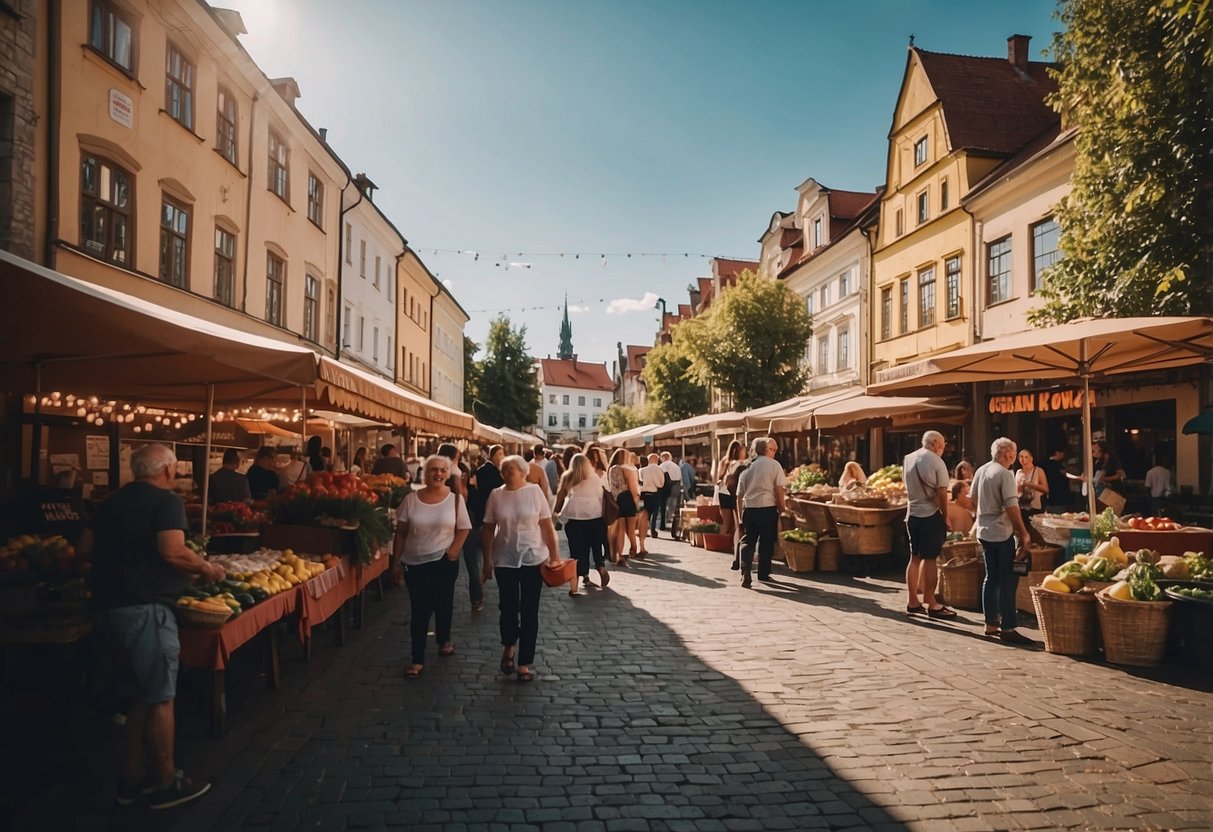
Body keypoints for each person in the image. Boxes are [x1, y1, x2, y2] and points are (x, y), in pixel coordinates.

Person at [84, 443, 225, 810]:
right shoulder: (166, 502)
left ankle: (131, 779)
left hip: (105, 608)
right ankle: (165, 780)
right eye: (175, 469)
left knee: (139, 695)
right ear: (167, 470)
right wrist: (206, 569)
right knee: (161, 695)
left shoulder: (110, 503)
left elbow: (85, 547)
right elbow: (172, 550)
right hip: (145, 609)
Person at [481, 454, 562, 683]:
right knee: (507, 608)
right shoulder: (496, 495)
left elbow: (546, 525)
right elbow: (487, 528)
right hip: (505, 558)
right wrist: (486, 561)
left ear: (523, 472)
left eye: (511, 469)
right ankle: (508, 647)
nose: (507, 473)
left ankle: (524, 663)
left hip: (533, 558)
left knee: (529, 611)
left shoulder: (535, 492)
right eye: (504, 470)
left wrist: (554, 555)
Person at [393, 454, 471, 678]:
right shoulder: (411, 499)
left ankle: (443, 639)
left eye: (442, 470)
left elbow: (464, 528)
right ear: (425, 473)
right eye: (433, 470)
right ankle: (417, 658)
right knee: (419, 610)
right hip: (415, 562)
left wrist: (453, 551)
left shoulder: (455, 500)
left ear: (448, 474)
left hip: (444, 561)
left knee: (443, 603)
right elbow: (401, 533)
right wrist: (395, 563)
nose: (438, 474)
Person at [971, 437, 1034, 646]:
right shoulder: (1005, 475)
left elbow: (972, 500)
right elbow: (1012, 507)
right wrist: (1023, 532)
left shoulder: (981, 470)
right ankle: (1008, 626)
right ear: (1009, 455)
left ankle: (990, 623)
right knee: (1008, 580)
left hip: (984, 531)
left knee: (991, 577)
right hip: (1001, 533)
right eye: (1012, 455)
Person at [903, 430, 956, 619]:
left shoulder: (909, 458)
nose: (943, 448)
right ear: (935, 443)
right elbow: (942, 492)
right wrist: (945, 516)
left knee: (914, 557)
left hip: (912, 514)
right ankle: (931, 602)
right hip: (929, 514)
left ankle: (912, 601)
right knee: (931, 558)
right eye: (942, 444)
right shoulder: (936, 461)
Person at [555, 452, 610, 594]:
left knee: (577, 551)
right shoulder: (594, 477)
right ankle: (601, 567)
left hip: (574, 518)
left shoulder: (568, 476)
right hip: (594, 517)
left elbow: (561, 495)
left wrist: (555, 513)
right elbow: (600, 496)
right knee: (596, 545)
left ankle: (578, 582)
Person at [735, 437, 786, 587]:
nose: (774, 453)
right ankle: (763, 574)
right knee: (766, 541)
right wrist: (783, 509)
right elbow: (779, 489)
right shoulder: (774, 465)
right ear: (766, 449)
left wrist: (739, 517)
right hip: (767, 508)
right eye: (773, 450)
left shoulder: (747, 467)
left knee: (748, 540)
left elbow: (739, 495)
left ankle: (745, 572)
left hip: (750, 508)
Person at [465, 444, 504, 612]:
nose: (501, 457)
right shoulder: (490, 471)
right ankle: (482, 580)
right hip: (485, 517)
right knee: (488, 555)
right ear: (492, 455)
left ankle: (479, 586)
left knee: (480, 558)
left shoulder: (485, 470)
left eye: (503, 454)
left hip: (480, 518)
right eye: (499, 454)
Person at [607, 448, 641, 564]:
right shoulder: (626, 469)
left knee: (620, 528)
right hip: (627, 498)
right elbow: (633, 489)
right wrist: (636, 503)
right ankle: (634, 549)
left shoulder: (611, 469)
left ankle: (620, 555)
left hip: (616, 499)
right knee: (631, 530)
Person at [716, 440, 746, 538]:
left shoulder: (724, 461)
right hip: (733, 491)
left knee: (726, 522)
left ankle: (722, 542)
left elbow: (718, 478)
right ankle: (736, 545)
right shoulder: (740, 464)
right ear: (739, 451)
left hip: (722, 490)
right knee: (738, 522)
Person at [1015, 449, 1048, 517]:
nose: (1024, 459)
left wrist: (1030, 484)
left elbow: (1046, 489)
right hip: (1021, 507)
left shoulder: (1038, 470)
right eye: (1021, 457)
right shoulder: (1019, 472)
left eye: (1026, 457)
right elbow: (1016, 490)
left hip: (1035, 508)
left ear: (1031, 458)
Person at [639, 452, 664, 543]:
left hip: (645, 493)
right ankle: (653, 531)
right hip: (654, 493)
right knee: (655, 512)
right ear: (656, 460)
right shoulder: (659, 469)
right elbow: (661, 484)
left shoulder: (642, 470)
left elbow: (641, 480)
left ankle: (644, 531)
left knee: (646, 513)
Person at [1039, 447, 1071, 514]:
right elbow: (1065, 474)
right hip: (1059, 498)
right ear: (1057, 453)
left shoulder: (1043, 464)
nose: (1064, 455)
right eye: (1062, 453)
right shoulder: (1058, 465)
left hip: (1048, 498)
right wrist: (1078, 478)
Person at [657, 452, 682, 534]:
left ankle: (663, 524)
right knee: (673, 506)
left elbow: (660, 476)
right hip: (676, 486)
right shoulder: (676, 466)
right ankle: (673, 525)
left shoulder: (662, 465)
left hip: (664, 487)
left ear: (663, 458)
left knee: (663, 506)